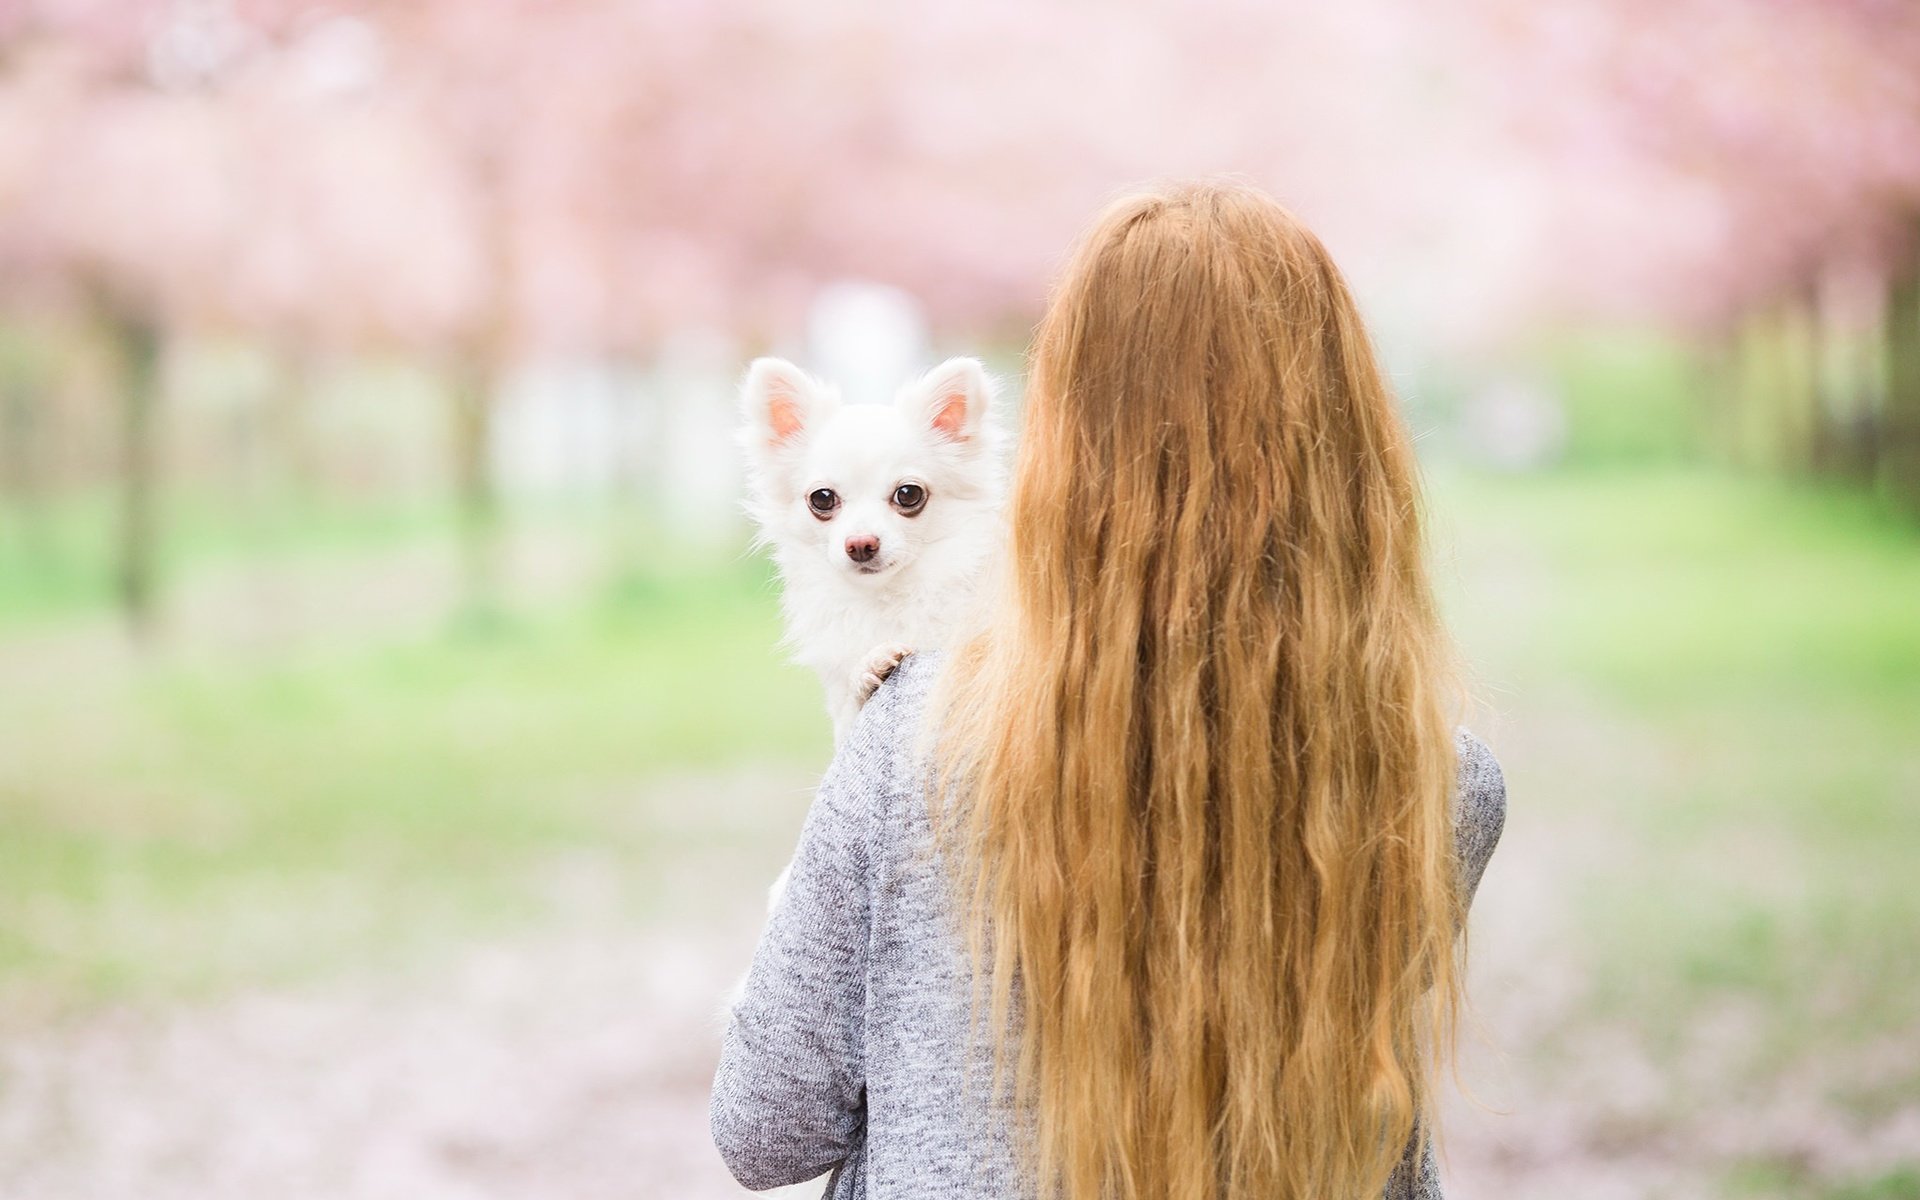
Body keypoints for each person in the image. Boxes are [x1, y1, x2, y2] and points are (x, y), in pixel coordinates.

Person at [710, 180, 1507, 1200]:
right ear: (1353, 450)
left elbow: (766, 1130)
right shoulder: (1440, 785)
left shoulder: (908, 740)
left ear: (1060, 443)